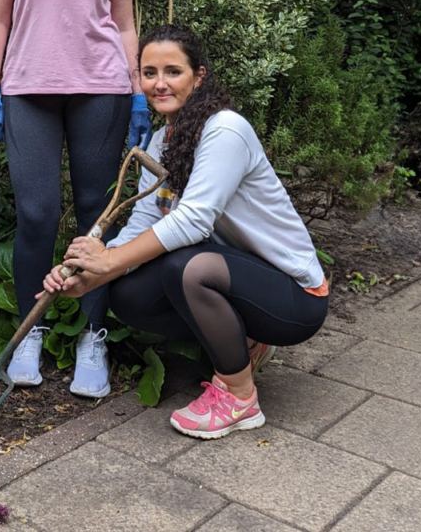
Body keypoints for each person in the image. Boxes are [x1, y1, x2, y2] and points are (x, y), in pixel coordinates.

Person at [43, 25, 330, 439]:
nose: (159, 84)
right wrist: (91, 277)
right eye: (149, 72)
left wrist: (108, 259)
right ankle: (242, 340)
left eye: (173, 72)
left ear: (199, 76)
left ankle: (239, 397)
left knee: (186, 266)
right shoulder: (162, 142)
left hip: (295, 298)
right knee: (128, 294)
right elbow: (145, 221)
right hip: (241, 278)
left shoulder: (225, 130)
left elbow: (193, 220)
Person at [0, 0, 153, 398]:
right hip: (27, 87)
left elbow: (124, 23)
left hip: (100, 88)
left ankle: (92, 337)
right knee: (35, 212)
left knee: (93, 215)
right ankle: (31, 331)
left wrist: (136, 91)